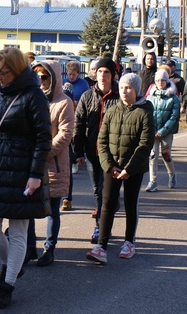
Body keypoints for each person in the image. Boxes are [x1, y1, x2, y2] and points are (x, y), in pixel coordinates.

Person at [0, 47, 51, 309]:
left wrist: (35, 175)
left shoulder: (34, 95)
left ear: (16, 70)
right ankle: (13, 266)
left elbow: (43, 139)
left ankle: (7, 284)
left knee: (18, 232)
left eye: (3, 72)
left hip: (23, 169)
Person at [86, 73, 154, 264]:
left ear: (136, 90)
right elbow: (103, 141)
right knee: (107, 204)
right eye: (122, 87)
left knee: (130, 204)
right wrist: (109, 165)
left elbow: (144, 144)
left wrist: (130, 169)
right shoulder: (112, 111)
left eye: (129, 88)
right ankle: (101, 246)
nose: (125, 91)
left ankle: (129, 241)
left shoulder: (144, 112)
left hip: (134, 168)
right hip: (113, 168)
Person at [29, 60, 74, 267]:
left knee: (52, 210)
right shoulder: (32, 98)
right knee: (27, 208)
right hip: (31, 165)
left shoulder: (63, 102)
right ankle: (29, 247)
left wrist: (43, 153)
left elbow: (65, 135)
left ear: (53, 78)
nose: (41, 81)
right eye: (37, 77)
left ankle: (49, 248)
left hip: (53, 164)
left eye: (45, 77)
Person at [73, 58, 119, 244]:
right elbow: (78, 124)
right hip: (92, 152)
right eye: (99, 72)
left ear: (112, 75)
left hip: (113, 154)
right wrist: (78, 152)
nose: (102, 76)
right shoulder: (87, 96)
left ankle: (99, 228)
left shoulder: (118, 97)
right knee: (97, 190)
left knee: (103, 191)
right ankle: (105, 217)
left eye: (106, 72)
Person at [145, 69, 180, 192]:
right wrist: (151, 129)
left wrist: (163, 131)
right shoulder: (150, 97)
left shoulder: (173, 98)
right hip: (153, 132)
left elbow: (174, 117)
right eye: (158, 80)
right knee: (152, 156)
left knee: (166, 155)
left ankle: (172, 174)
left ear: (167, 81)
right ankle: (153, 181)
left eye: (162, 80)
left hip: (166, 132)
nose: (160, 83)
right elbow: (147, 114)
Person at [61, 60, 89, 208]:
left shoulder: (83, 84)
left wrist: (76, 102)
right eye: (69, 74)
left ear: (78, 73)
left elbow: (85, 100)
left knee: (73, 142)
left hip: (77, 115)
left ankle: (75, 160)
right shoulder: (63, 83)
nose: (71, 77)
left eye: (74, 74)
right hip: (64, 118)